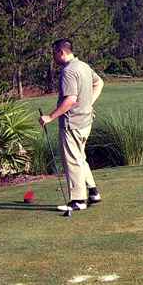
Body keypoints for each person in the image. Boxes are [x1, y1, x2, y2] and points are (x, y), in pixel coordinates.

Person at [39, 38, 104, 212]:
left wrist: (50, 117)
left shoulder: (68, 71)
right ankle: (93, 192)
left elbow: (70, 100)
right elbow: (99, 83)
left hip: (72, 124)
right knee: (80, 158)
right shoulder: (83, 66)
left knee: (72, 161)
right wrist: (89, 103)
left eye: (54, 53)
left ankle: (78, 200)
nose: (53, 57)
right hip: (85, 122)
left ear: (62, 52)